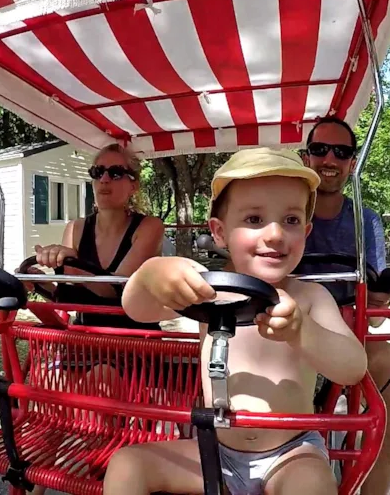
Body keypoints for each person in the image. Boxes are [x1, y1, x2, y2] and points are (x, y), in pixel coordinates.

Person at [103, 148, 367, 495]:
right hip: (214, 449)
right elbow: (137, 309)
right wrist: (152, 274)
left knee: (313, 485)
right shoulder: (206, 290)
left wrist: (303, 331)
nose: (275, 234)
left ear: (306, 231)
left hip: (291, 453)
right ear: (219, 231)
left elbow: (353, 368)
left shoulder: (310, 297)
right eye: (255, 219)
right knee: (127, 465)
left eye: (290, 220)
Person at [300, 116, 390, 495]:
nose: (329, 159)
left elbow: (376, 321)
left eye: (341, 152)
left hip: (349, 337)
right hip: (292, 335)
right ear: (306, 157)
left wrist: (380, 296)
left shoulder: (366, 220)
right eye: (320, 149)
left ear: (353, 162)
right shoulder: (288, 208)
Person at [31, 143, 165, 330]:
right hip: (87, 340)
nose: (104, 179)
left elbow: (116, 291)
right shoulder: (75, 228)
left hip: (135, 340)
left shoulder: (149, 227)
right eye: (97, 172)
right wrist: (38, 283)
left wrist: (75, 262)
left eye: (115, 173)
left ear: (133, 186)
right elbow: (69, 298)